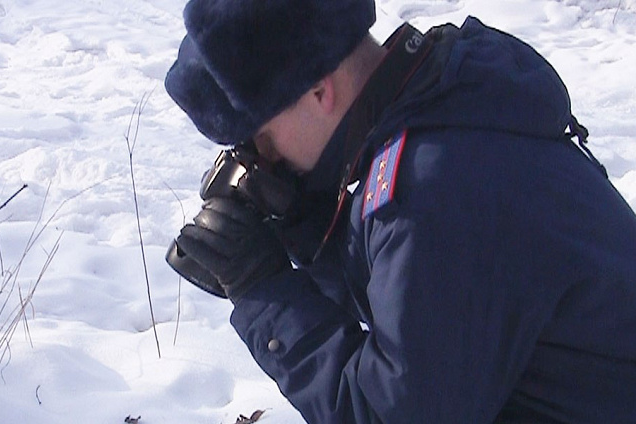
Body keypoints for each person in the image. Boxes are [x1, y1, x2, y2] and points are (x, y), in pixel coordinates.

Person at [164, 0, 636, 423]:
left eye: (258, 138)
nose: (260, 158)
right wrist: (306, 225)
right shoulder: (441, 97)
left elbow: (394, 412)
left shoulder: (434, 190)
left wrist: (263, 290)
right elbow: (423, 320)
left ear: (317, 92)